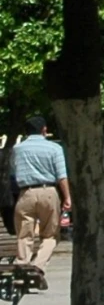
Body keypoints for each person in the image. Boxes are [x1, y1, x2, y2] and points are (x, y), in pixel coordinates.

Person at [11, 115, 69, 271]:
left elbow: (14, 171)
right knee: (50, 235)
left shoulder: (17, 149)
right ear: (44, 130)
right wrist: (67, 197)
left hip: (26, 193)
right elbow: (61, 175)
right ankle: (38, 266)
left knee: (24, 234)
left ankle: (22, 264)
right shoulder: (55, 148)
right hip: (48, 191)